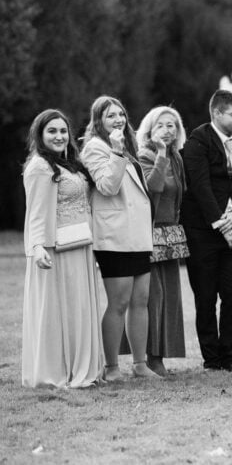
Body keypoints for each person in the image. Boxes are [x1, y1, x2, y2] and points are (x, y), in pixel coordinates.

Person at [22, 110, 105, 388]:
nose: (59, 136)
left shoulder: (72, 165)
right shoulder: (39, 167)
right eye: (52, 131)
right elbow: (35, 212)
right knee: (60, 309)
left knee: (79, 307)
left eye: (62, 131)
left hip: (81, 245)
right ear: (40, 135)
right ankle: (58, 371)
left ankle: (83, 368)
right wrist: (36, 247)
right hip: (55, 250)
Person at [181, 89, 232, 372]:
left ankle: (229, 356)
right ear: (217, 113)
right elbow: (200, 187)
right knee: (205, 298)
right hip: (203, 231)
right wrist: (222, 226)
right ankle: (211, 358)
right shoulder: (197, 141)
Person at [80, 96, 158, 381]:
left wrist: (121, 150)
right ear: (98, 121)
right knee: (119, 302)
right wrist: (115, 151)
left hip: (137, 235)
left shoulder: (128, 147)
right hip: (114, 237)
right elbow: (108, 187)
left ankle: (140, 364)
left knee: (141, 299)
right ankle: (111, 367)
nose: (118, 120)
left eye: (121, 114)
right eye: (110, 115)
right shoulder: (95, 148)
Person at [132, 106, 189, 376]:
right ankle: (148, 360)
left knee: (169, 298)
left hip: (171, 234)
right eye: (162, 125)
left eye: (172, 125)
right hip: (148, 234)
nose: (168, 130)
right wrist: (162, 155)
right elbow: (152, 187)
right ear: (150, 130)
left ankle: (160, 356)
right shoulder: (143, 155)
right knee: (152, 298)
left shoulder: (176, 158)